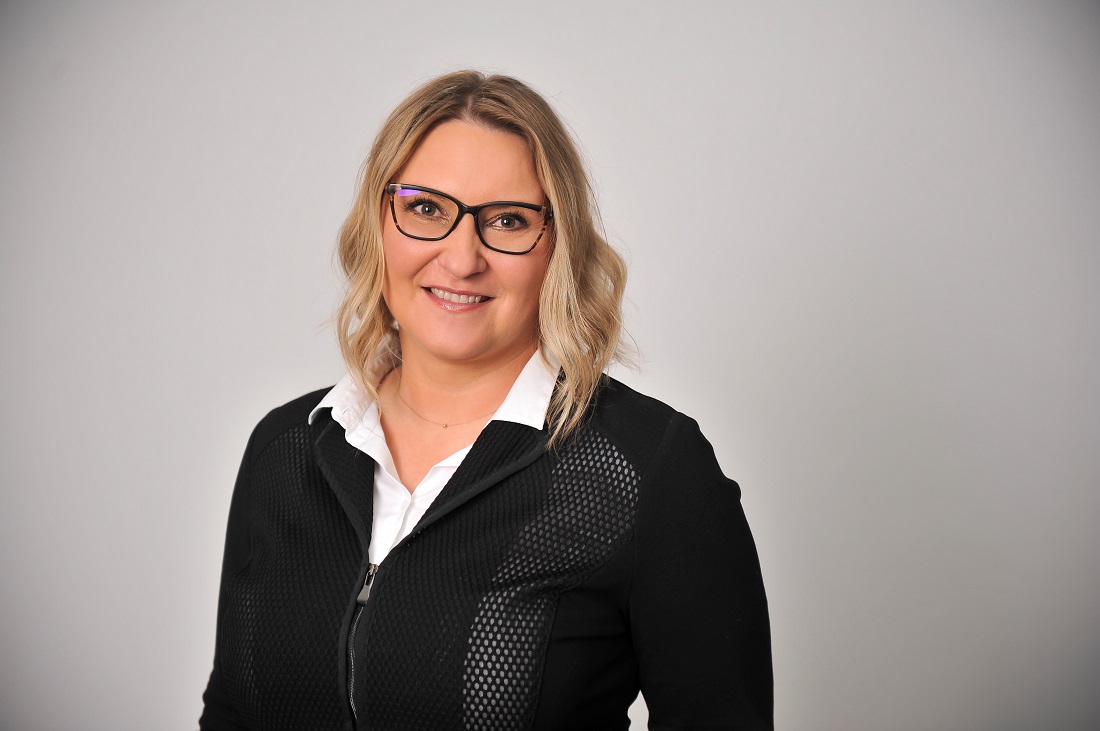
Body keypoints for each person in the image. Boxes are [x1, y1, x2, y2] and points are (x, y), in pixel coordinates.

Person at [199, 70, 772, 730]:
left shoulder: (646, 468)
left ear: (557, 245)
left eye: (507, 220)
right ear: (377, 221)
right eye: (425, 209)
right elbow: (233, 714)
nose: (461, 257)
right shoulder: (287, 447)